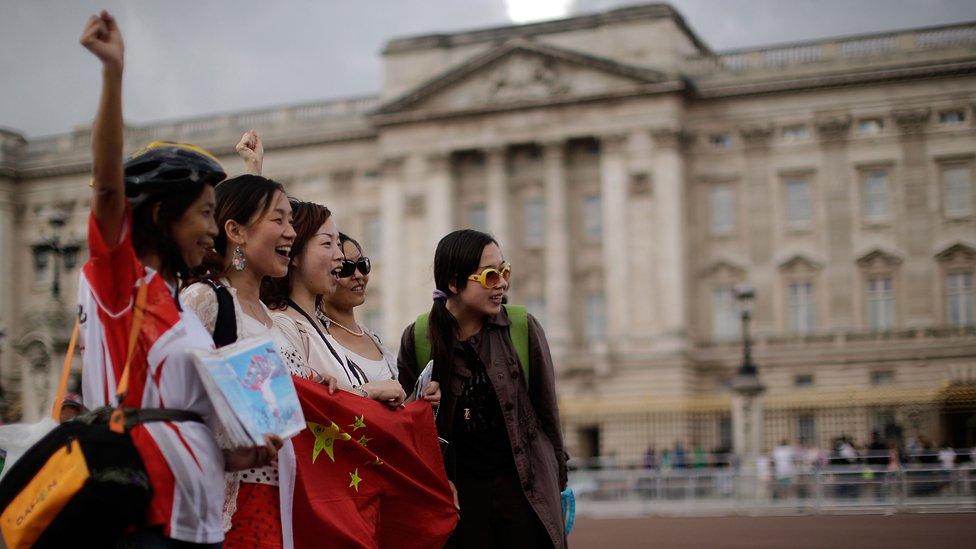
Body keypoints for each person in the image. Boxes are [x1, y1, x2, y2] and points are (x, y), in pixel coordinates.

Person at [78, 12, 279, 547]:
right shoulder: (120, 286)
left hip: (195, 516)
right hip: (141, 513)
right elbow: (105, 191)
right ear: (162, 213)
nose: (214, 231)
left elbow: (183, 417)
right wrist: (113, 74)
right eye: (205, 214)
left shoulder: (178, 305)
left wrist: (237, 451)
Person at [397, 229, 568, 549]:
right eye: (490, 275)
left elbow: (548, 416)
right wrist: (422, 404)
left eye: (505, 271)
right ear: (453, 283)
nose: (502, 283)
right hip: (460, 506)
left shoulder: (522, 327)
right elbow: (409, 427)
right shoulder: (419, 337)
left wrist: (558, 487)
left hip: (525, 498)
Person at [181, 147, 310, 547]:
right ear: (235, 231)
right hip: (232, 504)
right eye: (279, 219)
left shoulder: (285, 326)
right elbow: (176, 405)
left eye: (291, 220)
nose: (291, 232)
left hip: (288, 502)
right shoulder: (203, 301)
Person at [260, 203, 409, 405]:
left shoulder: (317, 324)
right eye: (327, 244)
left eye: (337, 244)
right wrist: (368, 392)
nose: (339, 255)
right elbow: (295, 405)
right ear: (294, 255)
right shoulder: (282, 324)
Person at [317, 232, 440, 402]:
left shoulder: (371, 337)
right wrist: (369, 391)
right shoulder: (316, 338)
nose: (359, 275)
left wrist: (421, 399)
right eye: (346, 268)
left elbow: (393, 410)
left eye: (363, 265)